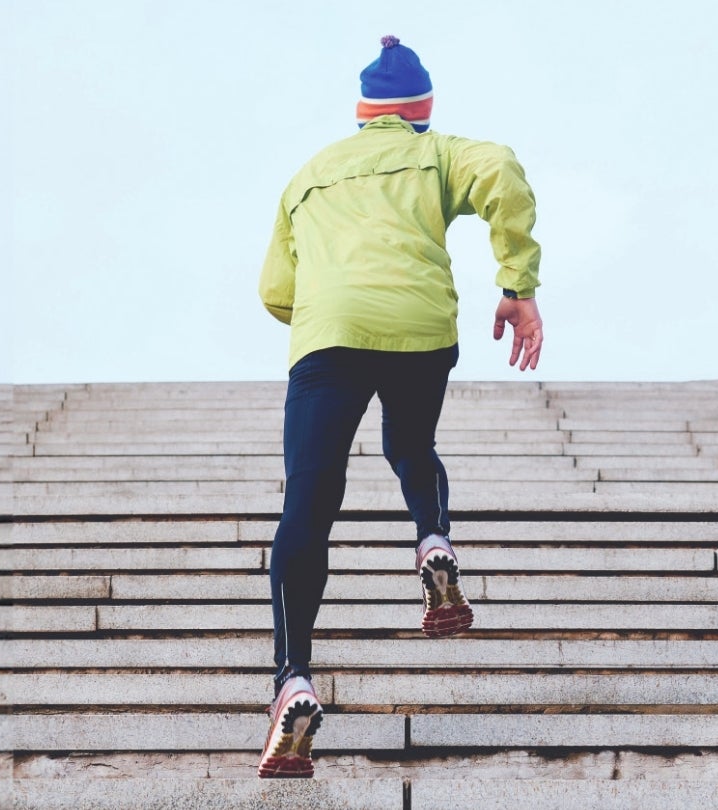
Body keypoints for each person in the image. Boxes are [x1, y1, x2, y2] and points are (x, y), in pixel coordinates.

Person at [255, 34, 544, 779]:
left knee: (310, 501)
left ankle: (293, 676)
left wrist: (332, 305)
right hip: (420, 327)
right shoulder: (438, 151)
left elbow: (274, 292)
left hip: (329, 337)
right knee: (410, 447)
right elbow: (502, 171)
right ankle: (433, 541)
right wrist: (517, 284)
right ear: (421, 109)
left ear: (362, 112)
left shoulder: (307, 176)